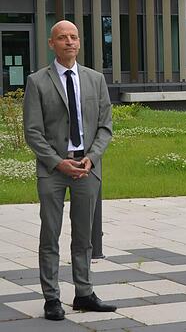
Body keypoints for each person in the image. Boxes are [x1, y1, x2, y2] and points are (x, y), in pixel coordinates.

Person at [23, 20, 116, 321]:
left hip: (87, 167)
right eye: (62, 38)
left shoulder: (95, 79)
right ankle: (52, 298)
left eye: (74, 37)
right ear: (52, 44)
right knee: (50, 234)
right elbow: (33, 132)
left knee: (83, 235)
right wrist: (57, 162)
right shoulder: (37, 81)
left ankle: (84, 293)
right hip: (53, 169)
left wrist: (92, 157)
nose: (69, 42)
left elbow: (105, 126)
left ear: (79, 42)